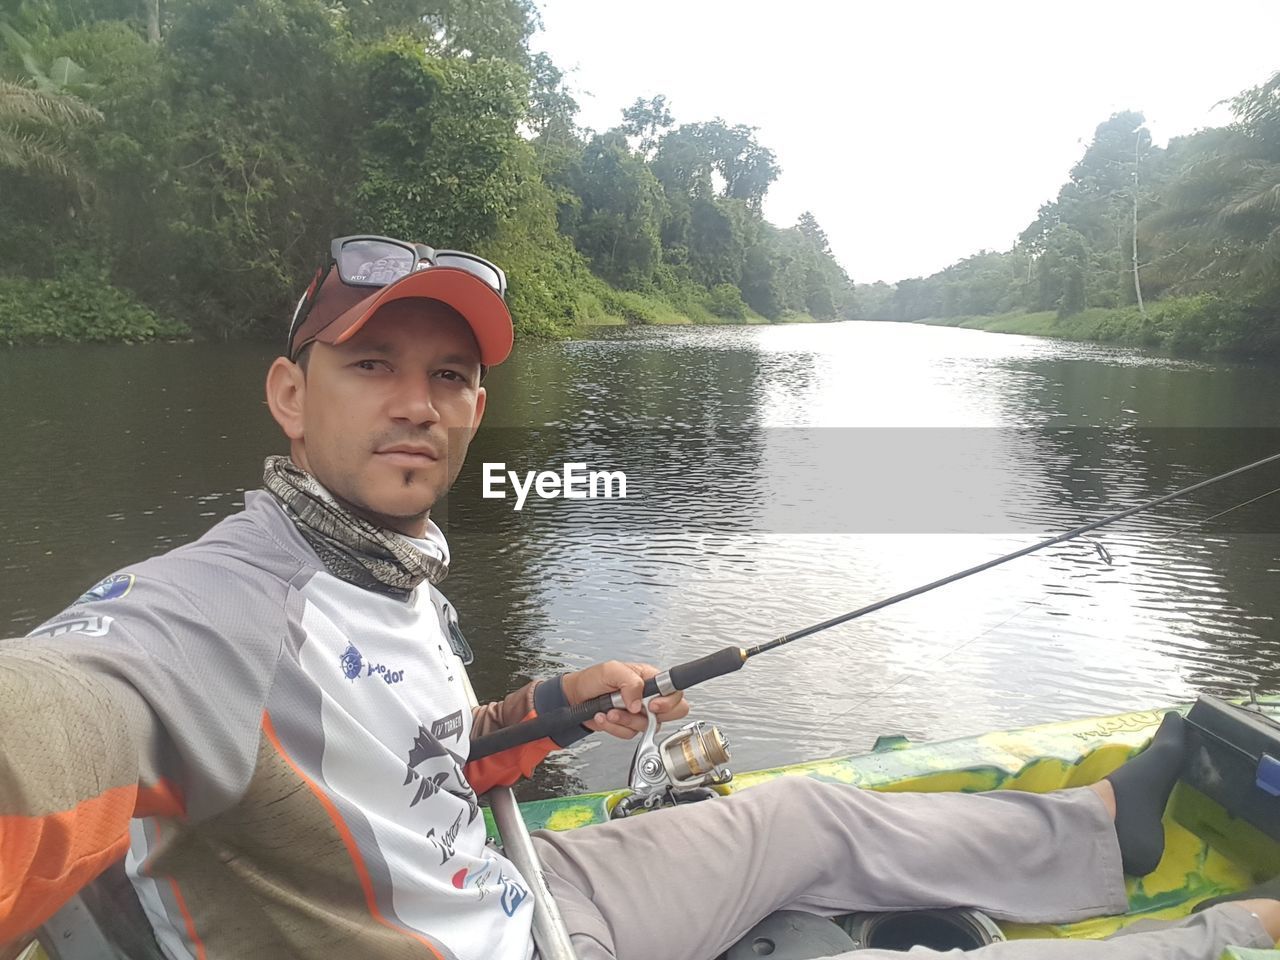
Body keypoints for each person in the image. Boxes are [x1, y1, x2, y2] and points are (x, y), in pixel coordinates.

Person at [1, 235, 1277, 960]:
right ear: (290, 396)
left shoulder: (385, 567)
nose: (416, 401)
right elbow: (62, 716)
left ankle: (1101, 830)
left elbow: (406, 759)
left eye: (449, 376)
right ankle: (1224, 936)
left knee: (807, 819)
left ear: (477, 409)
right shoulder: (211, 611)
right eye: (370, 364)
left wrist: (552, 707)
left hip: (521, 889)